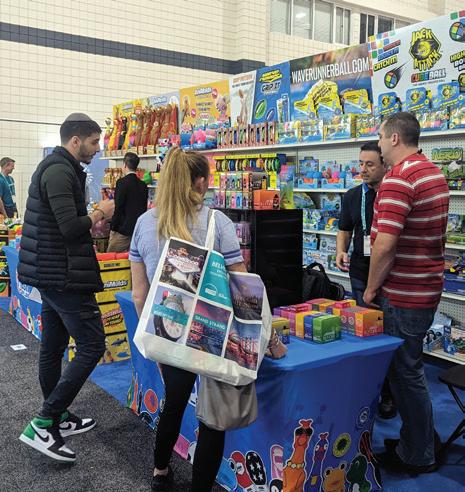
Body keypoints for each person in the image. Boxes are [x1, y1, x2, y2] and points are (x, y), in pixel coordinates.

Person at [130, 147, 249, 492]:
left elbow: (140, 294)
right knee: (212, 416)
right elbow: (242, 284)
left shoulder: (144, 223)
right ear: (199, 182)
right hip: (213, 331)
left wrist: (155, 343)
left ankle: (160, 471)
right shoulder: (217, 222)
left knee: (174, 402)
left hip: (168, 328)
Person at [17, 113, 115, 463]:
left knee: (54, 345)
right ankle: (44, 422)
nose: (97, 148)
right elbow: (70, 228)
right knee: (92, 344)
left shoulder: (61, 168)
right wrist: (99, 213)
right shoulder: (59, 171)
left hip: (53, 272)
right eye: (94, 142)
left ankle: (56, 415)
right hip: (62, 274)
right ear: (76, 140)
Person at [363, 112, 449, 474]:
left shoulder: (399, 179)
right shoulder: (432, 172)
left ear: (395, 138)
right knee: (410, 371)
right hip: (425, 288)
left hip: (402, 293)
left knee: (405, 375)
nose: (379, 144)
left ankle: (418, 453)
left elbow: (385, 246)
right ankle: (420, 439)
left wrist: (370, 289)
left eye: (381, 137)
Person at [335, 142, 396, 419]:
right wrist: (341, 250)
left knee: (389, 335)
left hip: (389, 274)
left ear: (385, 165)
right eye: (361, 163)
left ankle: (390, 394)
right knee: (366, 332)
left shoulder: (394, 193)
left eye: (369, 164)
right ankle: (369, 390)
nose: (363, 169)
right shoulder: (352, 195)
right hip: (360, 271)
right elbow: (344, 228)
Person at [107, 152, 148, 252]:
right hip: (138, 229)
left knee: (111, 256)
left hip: (122, 230)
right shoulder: (143, 185)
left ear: (125, 165)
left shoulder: (121, 183)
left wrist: (113, 226)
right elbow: (144, 208)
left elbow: (118, 207)